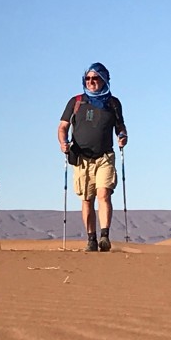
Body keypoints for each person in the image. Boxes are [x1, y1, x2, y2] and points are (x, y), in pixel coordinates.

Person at [57, 62, 128, 252]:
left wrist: (122, 136)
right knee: (87, 199)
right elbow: (63, 126)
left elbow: (120, 127)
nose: (91, 82)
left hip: (105, 156)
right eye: (87, 79)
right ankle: (91, 238)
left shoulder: (113, 103)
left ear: (104, 79)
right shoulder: (76, 101)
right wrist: (63, 142)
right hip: (81, 159)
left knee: (104, 194)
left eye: (95, 78)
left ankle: (105, 235)